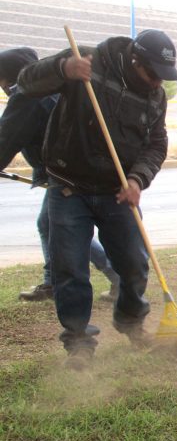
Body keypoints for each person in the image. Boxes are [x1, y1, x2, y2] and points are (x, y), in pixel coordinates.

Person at [18, 29, 177, 369]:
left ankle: (131, 322)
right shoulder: (87, 63)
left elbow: (156, 144)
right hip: (69, 187)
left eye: (162, 77)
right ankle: (79, 345)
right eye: (152, 73)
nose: (156, 82)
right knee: (70, 271)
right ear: (134, 60)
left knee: (134, 265)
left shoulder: (155, 97)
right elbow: (26, 83)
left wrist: (138, 179)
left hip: (117, 192)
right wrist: (63, 70)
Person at [0, 47, 120, 304]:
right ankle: (54, 282)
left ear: (9, 77)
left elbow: (7, 137)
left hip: (64, 173)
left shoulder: (27, 97)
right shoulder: (50, 90)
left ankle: (117, 278)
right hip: (74, 168)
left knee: (61, 227)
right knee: (53, 226)